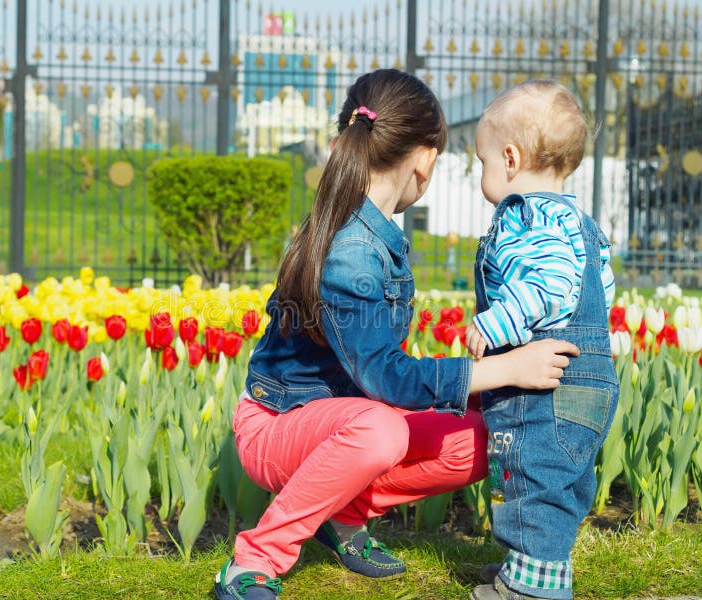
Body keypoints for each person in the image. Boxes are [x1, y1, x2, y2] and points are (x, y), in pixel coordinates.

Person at [214, 69, 580, 600]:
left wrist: (484, 384)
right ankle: (255, 558)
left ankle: (341, 515)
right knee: (381, 430)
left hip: (348, 420)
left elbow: (379, 376)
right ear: (425, 160)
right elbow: (387, 379)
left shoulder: (379, 236)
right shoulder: (351, 250)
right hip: (277, 426)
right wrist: (503, 368)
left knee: (484, 438)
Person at [464, 80, 620, 600]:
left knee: (532, 476)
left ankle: (531, 589)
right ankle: (531, 568)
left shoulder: (525, 217)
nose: (482, 173)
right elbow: (599, 287)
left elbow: (550, 285)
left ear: (510, 159)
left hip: (549, 385)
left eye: (483, 162)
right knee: (559, 481)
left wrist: (498, 323)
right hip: (589, 376)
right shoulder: (579, 221)